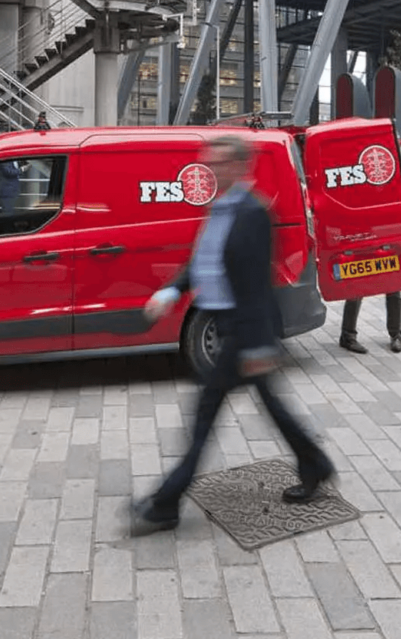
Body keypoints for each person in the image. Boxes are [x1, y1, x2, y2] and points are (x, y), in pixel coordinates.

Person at [131, 135, 334, 535]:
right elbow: (203, 262)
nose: (212, 169)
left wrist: (259, 343)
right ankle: (316, 466)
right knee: (271, 408)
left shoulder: (252, 212)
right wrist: (170, 291)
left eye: (220, 162)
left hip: (242, 333)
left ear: (241, 166)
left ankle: (166, 504)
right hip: (228, 328)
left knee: (205, 418)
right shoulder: (219, 208)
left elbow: (258, 284)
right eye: (209, 162)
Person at [340, 146, 401, 355]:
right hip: (364, 239)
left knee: (394, 287)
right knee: (357, 288)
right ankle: (347, 335)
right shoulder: (356, 181)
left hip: (387, 237)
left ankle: (396, 334)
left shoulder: (391, 180)